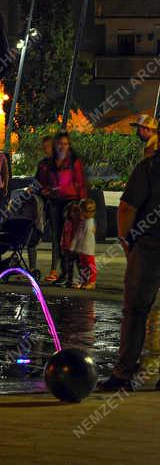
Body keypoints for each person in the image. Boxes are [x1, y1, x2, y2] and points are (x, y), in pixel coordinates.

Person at [98, 152, 160, 391]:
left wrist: (127, 243)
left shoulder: (150, 167)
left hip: (148, 247)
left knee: (135, 311)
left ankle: (123, 373)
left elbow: (126, 208)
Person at [36, 131, 87, 283]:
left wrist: (82, 203)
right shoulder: (49, 164)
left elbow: (80, 182)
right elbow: (41, 181)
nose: (62, 147)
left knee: (71, 238)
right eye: (60, 144)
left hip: (71, 202)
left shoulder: (73, 162)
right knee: (57, 237)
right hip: (54, 202)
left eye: (65, 144)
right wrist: (45, 190)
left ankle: (76, 274)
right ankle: (60, 271)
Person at [72, 198, 97, 290]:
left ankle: (91, 281)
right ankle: (84, 281)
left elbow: (82, 236)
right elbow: (78, 235)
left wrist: (74, 246)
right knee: (82, 266)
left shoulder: (89, 222)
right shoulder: (84, 222)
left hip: (87, 249)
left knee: (90, 266)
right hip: (82, 249)